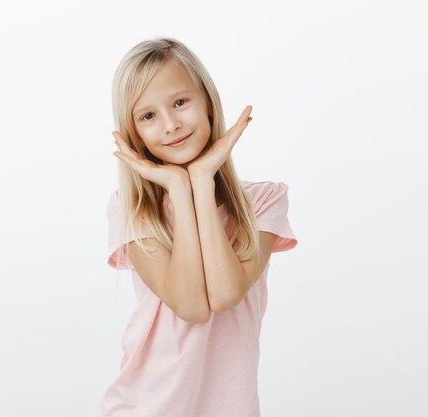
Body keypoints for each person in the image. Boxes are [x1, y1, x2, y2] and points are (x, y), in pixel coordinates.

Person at [97, 37, 298, 417]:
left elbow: (224, 295)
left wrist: (201, 181)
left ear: (207, 100)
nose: (171, 125)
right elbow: (191, 306)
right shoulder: (133, 208)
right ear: (134, 132)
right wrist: (177, 185)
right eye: (148, 116)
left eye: (180, 102)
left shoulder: (264, 201)